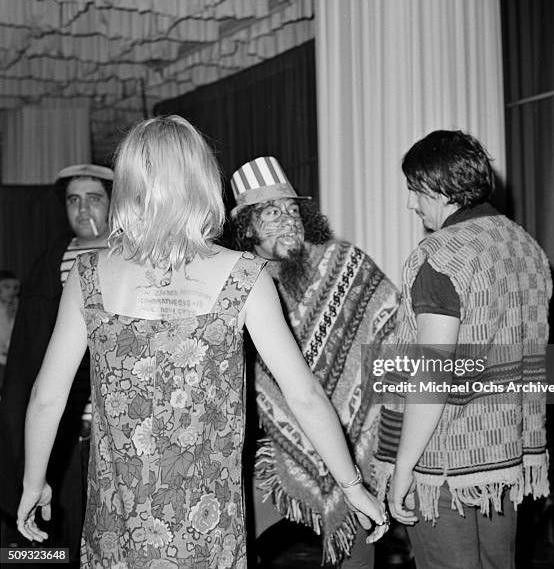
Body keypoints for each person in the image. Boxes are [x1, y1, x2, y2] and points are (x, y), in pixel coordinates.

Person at [16, 115, 388, 568]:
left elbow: (46, 397)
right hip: (208, 531)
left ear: (131, 185)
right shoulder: (242, 275)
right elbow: (305, 395)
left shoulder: (88, 273)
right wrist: (353, 486)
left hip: (119, 529)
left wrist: (34, 483)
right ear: (202, 182)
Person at [375, 130, 552, 569]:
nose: (411, 204)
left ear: (441, 189)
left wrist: (401, 472)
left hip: (447, 463)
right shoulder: (524, 245)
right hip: (506, 456)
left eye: (415, 191)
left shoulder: (440, 254)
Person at [231, 157, 401, 567]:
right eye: (272, 213)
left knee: (355, 556)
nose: (289, 221)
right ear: (247, 228)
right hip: (271, 450)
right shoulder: (237, 283)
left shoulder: (343, 265)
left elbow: (396, 337)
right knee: (231, 543)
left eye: (293, 211)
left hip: (356, 441)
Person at [0, 163, 113, 561]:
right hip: (63, 427)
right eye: (73, 200)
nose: (83, 211)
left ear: (115, 203)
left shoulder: (132, 258)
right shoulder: (52, 261)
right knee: (62, 533)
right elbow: (29, 354)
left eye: (94, 198)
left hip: (118, 428)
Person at [0, 269, 20, 392]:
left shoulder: (19, 306)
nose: (11, 291)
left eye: (15, 287)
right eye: (6, 286)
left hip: (13, 361)